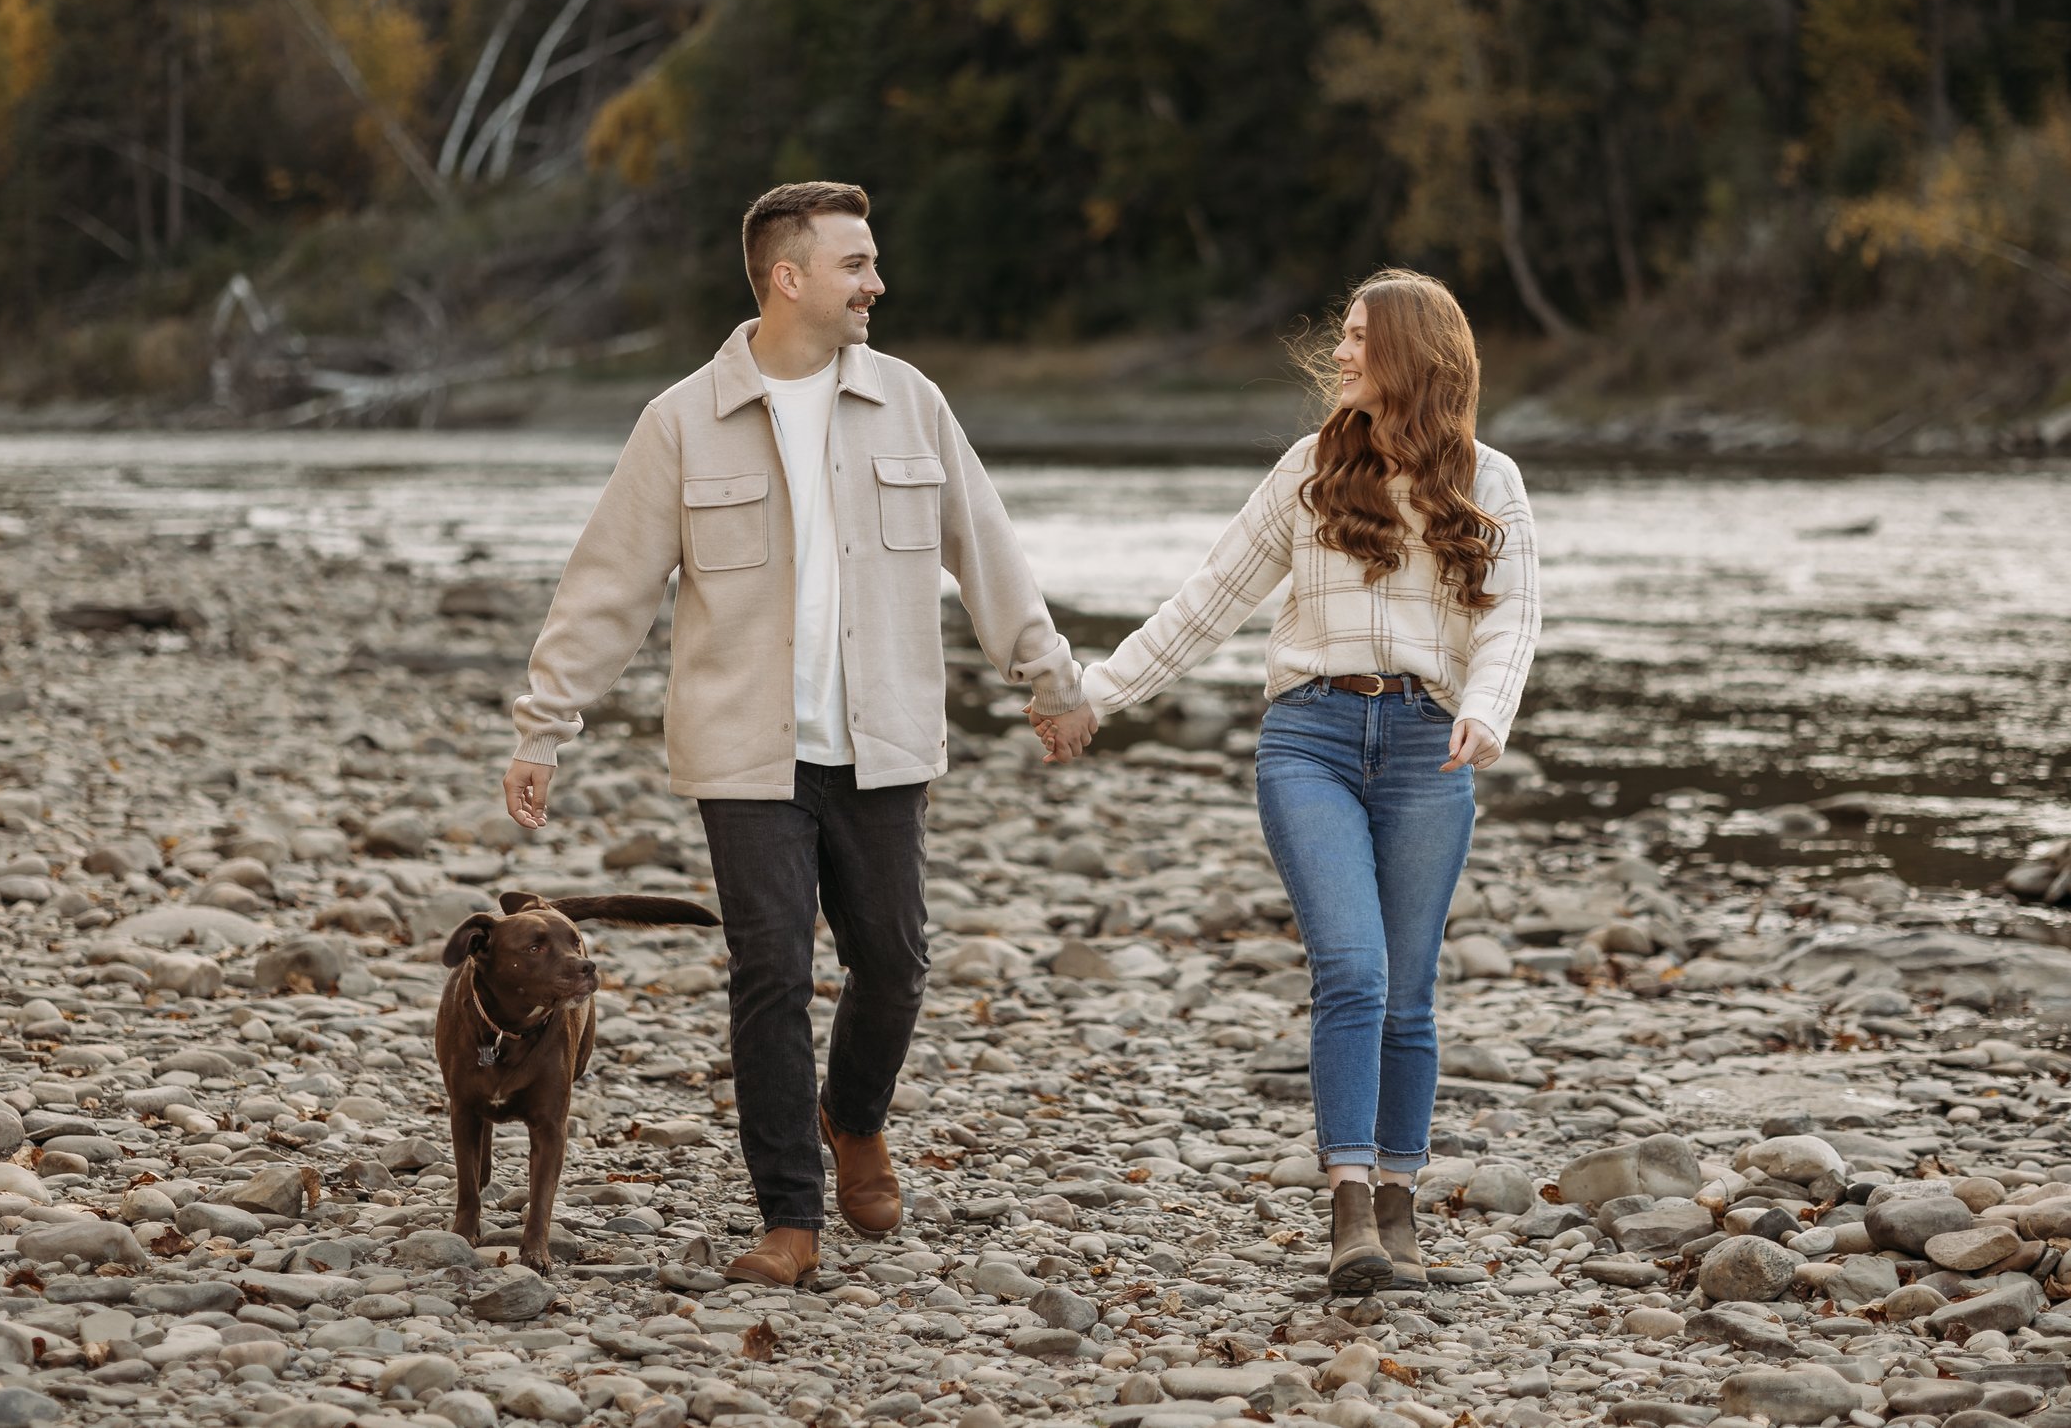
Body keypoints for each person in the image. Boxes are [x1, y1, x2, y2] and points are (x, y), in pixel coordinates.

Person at [502, 181, 1089, 1287]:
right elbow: (606, 589)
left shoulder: (912, 402)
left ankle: (851, 1115)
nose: (878, 283)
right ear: (788, 277)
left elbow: (988, 549)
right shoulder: (682, 419)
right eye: (856, 264)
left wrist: (1048, 678)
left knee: (897, 963)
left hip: (884, 742)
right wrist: (545, 726)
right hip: (747, 752)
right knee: (768, 970)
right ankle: (790, 1218)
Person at [1033, 269, 1540, 1294]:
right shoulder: (1307, 471)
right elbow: (1205, 600)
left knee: (1409, 992)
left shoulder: (1491, 481)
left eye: (1359, 338)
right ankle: (1349, 1206)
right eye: (1342, 336)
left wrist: (1486, 711)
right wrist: (1097, 690)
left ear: (1413, 354)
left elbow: (1511, 621)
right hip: (1307, 738)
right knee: (1352, 968)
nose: (1340, 352)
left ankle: (1400, 1204)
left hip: (1426, 746)